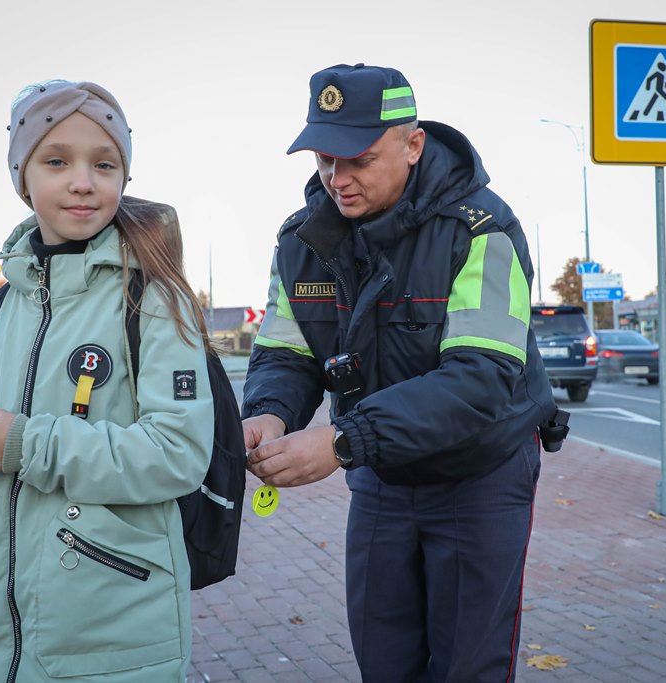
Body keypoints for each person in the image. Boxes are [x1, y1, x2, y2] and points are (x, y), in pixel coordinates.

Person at [243, 64, 560, 682]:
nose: (338, 178)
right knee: (384, 661)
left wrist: (342, 441)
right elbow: (288, 352)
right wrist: (268, 413)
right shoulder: (301, 241)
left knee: (468, 666)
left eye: (358, 158)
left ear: (413, 145)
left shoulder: (482, 232)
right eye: (324, 159)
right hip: (383, 476)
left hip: (480, 475)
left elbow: (480, 381)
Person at [0, 80, 213, 682]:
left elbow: (180, 454)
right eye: (57, 161)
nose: (83, 181)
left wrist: (26, 443)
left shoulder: (153, 300)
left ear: (123, 178)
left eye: (104, 164)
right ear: (22, 178)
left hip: (110, 638)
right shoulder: (1, 308)